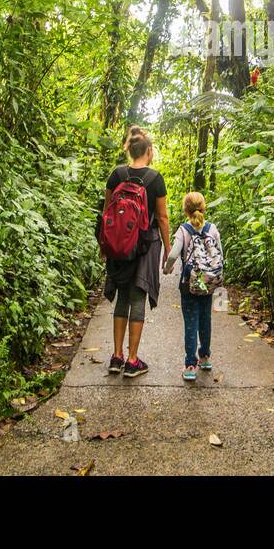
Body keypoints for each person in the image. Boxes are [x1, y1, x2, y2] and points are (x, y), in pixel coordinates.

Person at [103, 126, 169, 377]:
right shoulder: (155, 179)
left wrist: (104, 246)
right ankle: (132, 360)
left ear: (129, 150)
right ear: (149, 151)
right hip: (145, 245)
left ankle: (116, 356)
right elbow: (162, 218)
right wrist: (168, 250)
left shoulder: (117, 174)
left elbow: (107, 211)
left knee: (122, 297)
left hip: (118, 247)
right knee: (138, 298)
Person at [162, 191, 222, 382]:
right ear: (204, 208)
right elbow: (220, 254)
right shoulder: (212, 229)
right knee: (206, 319)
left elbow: (173, 255)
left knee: (191, 323)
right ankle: (204, 357)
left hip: (189, 283)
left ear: (185, 210)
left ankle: (190, 365)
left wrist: (167, 268)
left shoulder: (183, 230)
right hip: (208, 281)